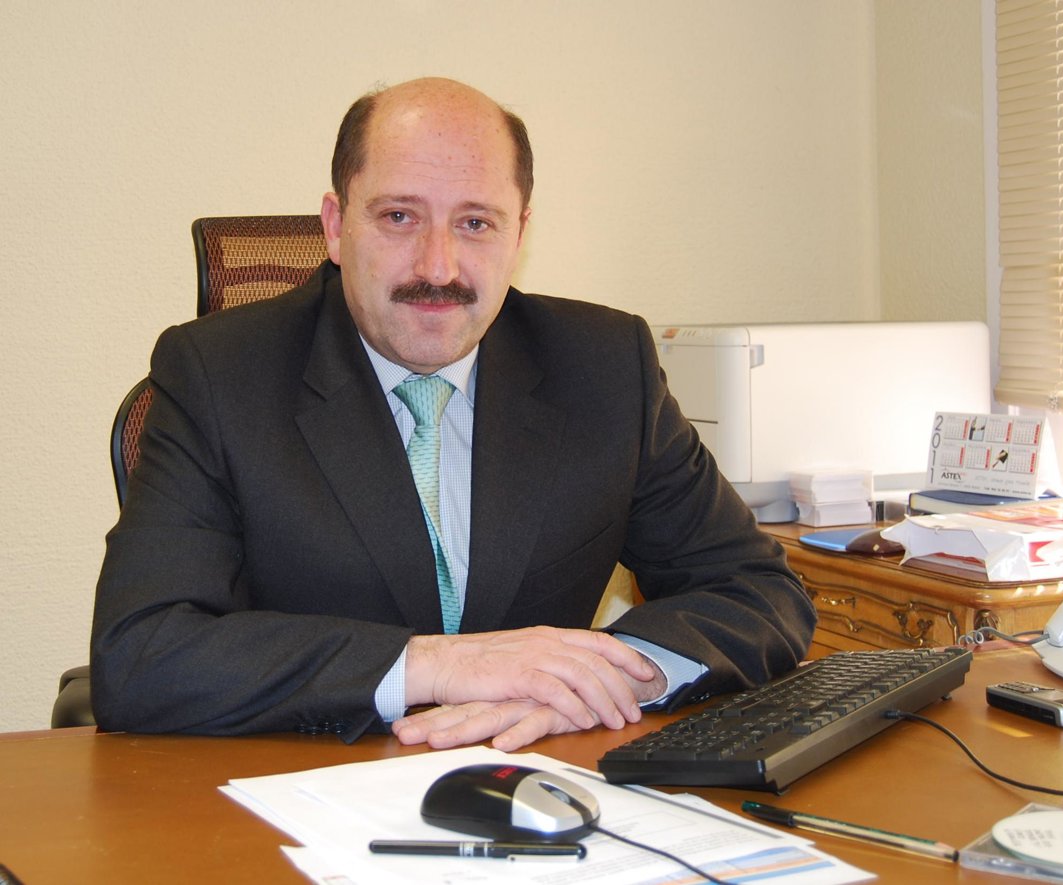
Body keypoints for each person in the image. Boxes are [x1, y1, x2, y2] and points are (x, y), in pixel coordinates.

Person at [90, 77, 816, 750]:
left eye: (475, 223)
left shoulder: (603, 366)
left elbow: (757, 589)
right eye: (399, 217)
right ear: (336, 227)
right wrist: (438, 665)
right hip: (298, 788)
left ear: (519, 233)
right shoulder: (218, 375)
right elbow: (141, 653)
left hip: (537, 785)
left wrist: (598, 677)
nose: (437, 267)